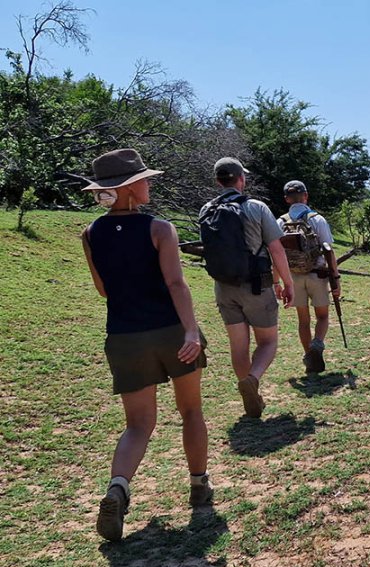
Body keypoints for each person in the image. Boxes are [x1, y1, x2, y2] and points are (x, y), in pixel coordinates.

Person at [80, 148, 211, 543]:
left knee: (138, 425)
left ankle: (117, 487)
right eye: (144, 179)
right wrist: (191, 332)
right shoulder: (160, 229)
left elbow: (103, 290)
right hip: (171, 331)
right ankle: (199, 485)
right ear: (129, 188)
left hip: (123, 337)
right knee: (190, 410)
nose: (149, 184)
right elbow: (176, 284)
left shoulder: (90, 234)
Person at [200, 158, 294, 416]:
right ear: (241, 179)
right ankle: (252, 380)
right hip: (256, 286)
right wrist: (287, 282)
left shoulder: (206, 209)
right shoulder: (256, 207)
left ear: (218, 180)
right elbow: (276, 249)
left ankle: (249, 396)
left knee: (238, 347)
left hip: (223, 287)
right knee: (268, 342)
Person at [277, 180, 341, 374]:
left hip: (293, 277)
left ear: (287, 199)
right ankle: (317, 346)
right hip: (318, 275)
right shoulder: (317, 219)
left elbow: (276, 253)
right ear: (306, 196)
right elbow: (328, 250)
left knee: (302, 321)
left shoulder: (280, 222)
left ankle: (308, 357)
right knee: (322, 316)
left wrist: (276, 282)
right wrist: (336, 279)